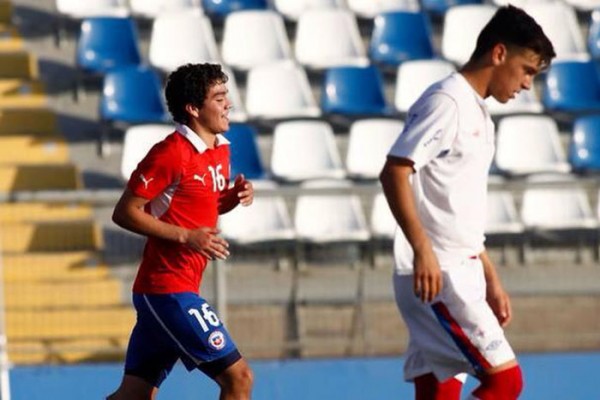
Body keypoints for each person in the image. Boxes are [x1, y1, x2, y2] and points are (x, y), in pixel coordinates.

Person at [379, 6, 555, 400]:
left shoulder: (475, 109)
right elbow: (394, 171)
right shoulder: (449, 101)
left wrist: (489, 276)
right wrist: (422, 250)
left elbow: (455, 206)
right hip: (440, 275)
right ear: (498, 54)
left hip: (460, 268)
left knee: (437, 391)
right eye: (526, 70)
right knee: (505, 382)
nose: (527, 84)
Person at [107, 63, 254, 400]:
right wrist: (188, 237)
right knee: (239, 379)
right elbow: (125, 212)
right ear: (193, 109)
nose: (228, 103)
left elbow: (200, 204)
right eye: (218, 98)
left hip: (172, 289)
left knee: (134, 395)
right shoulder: (170, 153)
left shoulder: (220, 149)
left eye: (226, 95)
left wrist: (232, 197)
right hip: (167, 290)